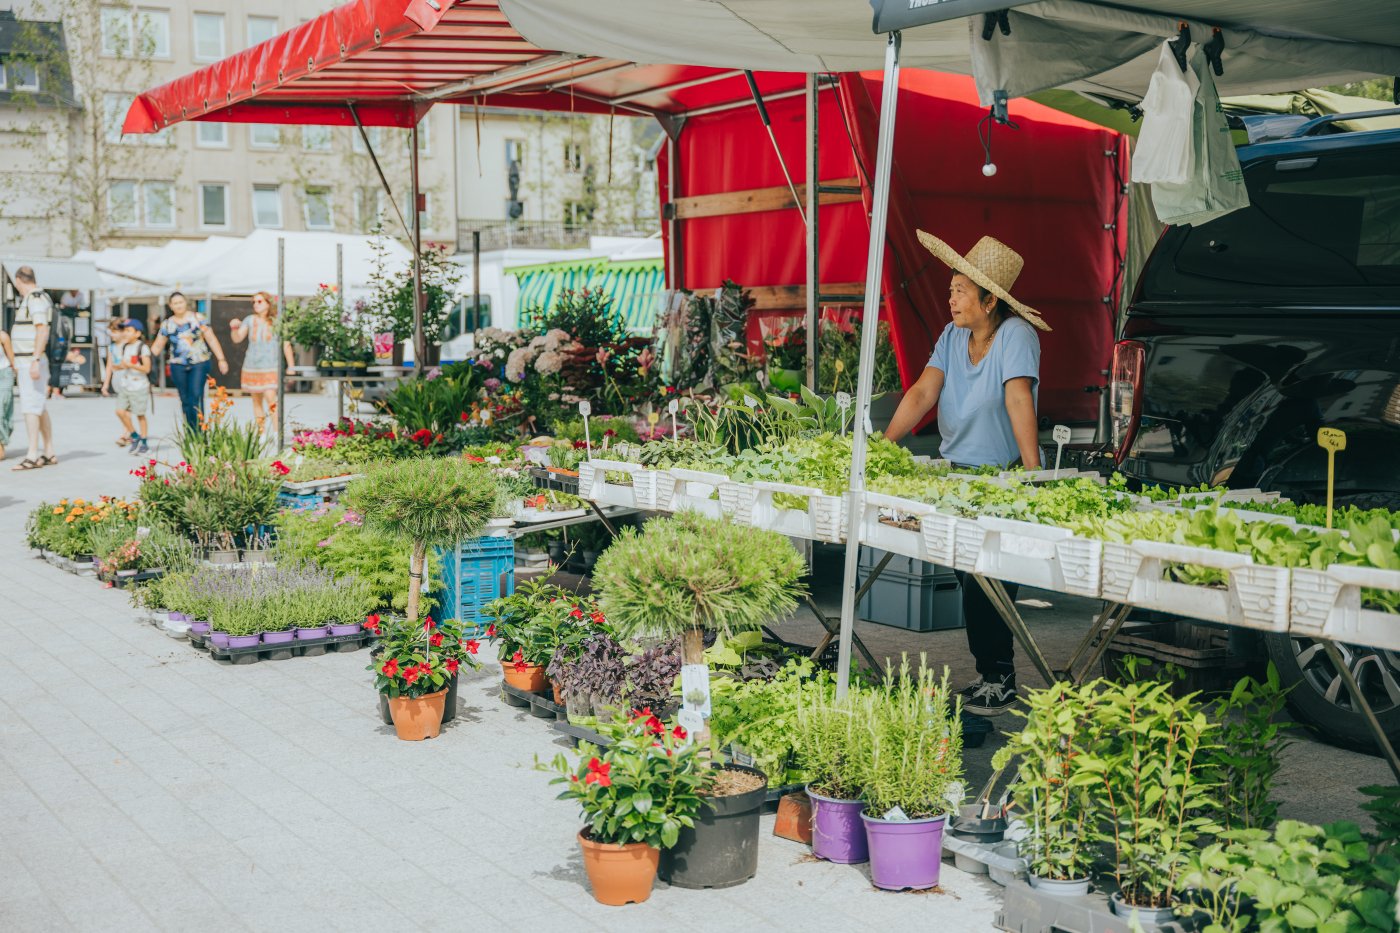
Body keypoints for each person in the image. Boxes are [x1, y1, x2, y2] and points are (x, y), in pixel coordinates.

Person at [883, 232, 1048, 716]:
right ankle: (990, 674)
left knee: (990, 581)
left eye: (960, 290)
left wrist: (1034, 476)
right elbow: (921, 394)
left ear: (990, 300)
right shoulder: (952, 337)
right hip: (956, 477)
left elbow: (1019, 398)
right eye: (951, 287)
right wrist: (880, 448)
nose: (950, 297)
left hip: (1001, 480)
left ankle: (1001, 677)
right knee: (969, 578)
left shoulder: (1017, 336)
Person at [149, 292, 228, 428]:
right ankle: (190, 430)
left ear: (186, 302)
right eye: (175, 303)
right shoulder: (167, 324)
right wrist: (143, 358)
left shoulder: (198, 318)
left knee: (196, 395)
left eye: (181, 302)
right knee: (185, 398)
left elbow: (211, 338)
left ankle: (200, 431)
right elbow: (157, 346)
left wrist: (221, 359)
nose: (179, 305)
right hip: (178, 364)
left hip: (199, 362)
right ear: (171, 306)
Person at [9, 266, 57, 471]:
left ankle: (32, 453)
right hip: (30, 359)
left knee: (30, 407)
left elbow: (42, 329)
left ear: (19, 280)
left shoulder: (35, 298)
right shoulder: (38, 297)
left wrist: (35, 359)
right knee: (39, 406)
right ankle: (49, 451)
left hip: (31, 359)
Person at [228, 291, 294, 435]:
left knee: (271, 399)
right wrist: (234, 328)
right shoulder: (250, 320)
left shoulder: (277, 321)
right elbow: (237, 338)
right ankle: (261, 433)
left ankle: (277, 434)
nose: (256, 305)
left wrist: (291, 366)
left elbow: (286, 344)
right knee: (256, 401)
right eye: (254, 302)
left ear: (268, 303)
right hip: (252, 366)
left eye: (260, 301)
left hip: (270, 366)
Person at [101, 319, 153, 454]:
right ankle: (134, 435)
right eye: (124, 330)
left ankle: (144, 440)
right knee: (120, 411)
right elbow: (123, 364)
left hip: (139, 385)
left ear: (137, 333)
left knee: (140, 415)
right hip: (126, 384)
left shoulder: (142, 347)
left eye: (129, 331)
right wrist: (117, 367)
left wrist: (131, 365)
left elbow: (147, 368)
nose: (125, 333)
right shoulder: (125, 347)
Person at [0, 327, 15, 461]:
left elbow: (12, 360)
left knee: (2, 410)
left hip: (4, 375)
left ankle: (1, 444)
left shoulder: (3, 336)